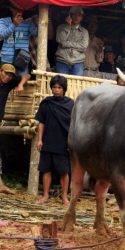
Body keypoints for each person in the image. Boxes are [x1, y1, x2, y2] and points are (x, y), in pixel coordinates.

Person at [35, 75, 74, 205]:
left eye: (59, 87)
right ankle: (45, 195)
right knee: (46, 169)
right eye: (54, 87)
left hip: (63, 142)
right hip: (48, 140)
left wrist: (71, 142)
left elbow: (74, 125)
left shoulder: (70, 104)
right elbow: (41, 122)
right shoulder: (46, 103)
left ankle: (64, 197)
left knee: (64, 171)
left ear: (64, 89)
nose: (56, 90)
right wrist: (40, 139)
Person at [0, 64, 29, 194]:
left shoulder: (8, 84)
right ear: (0, 71)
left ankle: (0, 185)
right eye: (6, 74)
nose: (8, 77)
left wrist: (21, 84)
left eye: (11, 75)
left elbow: (27, 75)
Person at [0, 3, 38, 75]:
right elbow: (2, 35)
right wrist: (14, 24)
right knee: (4, 81)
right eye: (16, 8)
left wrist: (37, 22)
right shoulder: (3, 21)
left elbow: (36, 33)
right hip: (7, 57)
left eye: (21, 8)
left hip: (22, 58)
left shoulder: (28, 22)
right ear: (11, 8)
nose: (19, 10)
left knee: (21, 80)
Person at [55, 6, 89, 76]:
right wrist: (67, 26)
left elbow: (83, 46)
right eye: (74, 14)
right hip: (62, 61)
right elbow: (60, 40)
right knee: (61, 83)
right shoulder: (61, 27)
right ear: (70, 16)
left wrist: (66, 44)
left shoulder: (85, 32)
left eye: (79, 15)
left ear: (82, 17)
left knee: (76, 85)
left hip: (78, 62)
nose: (76, 17)